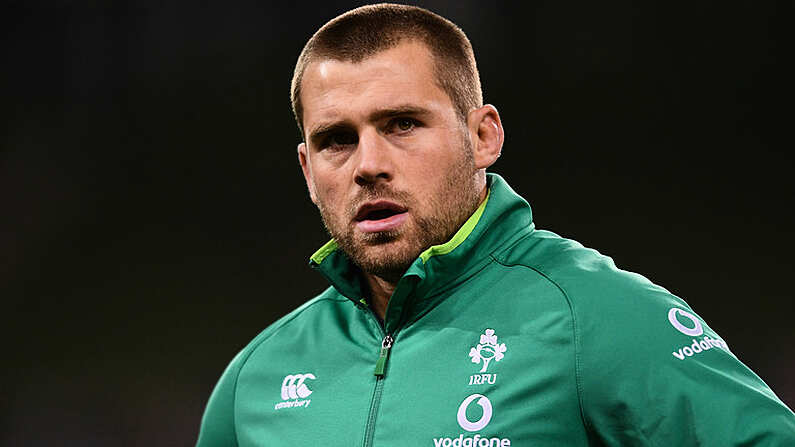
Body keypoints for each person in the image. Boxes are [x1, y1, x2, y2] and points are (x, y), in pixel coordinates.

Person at [197, 4, 795, 446]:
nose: (369, 165)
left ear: (482, 137)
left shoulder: (599, 319)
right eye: (336, 140)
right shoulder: (255, 382)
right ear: (307, 168)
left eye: (403, 124)